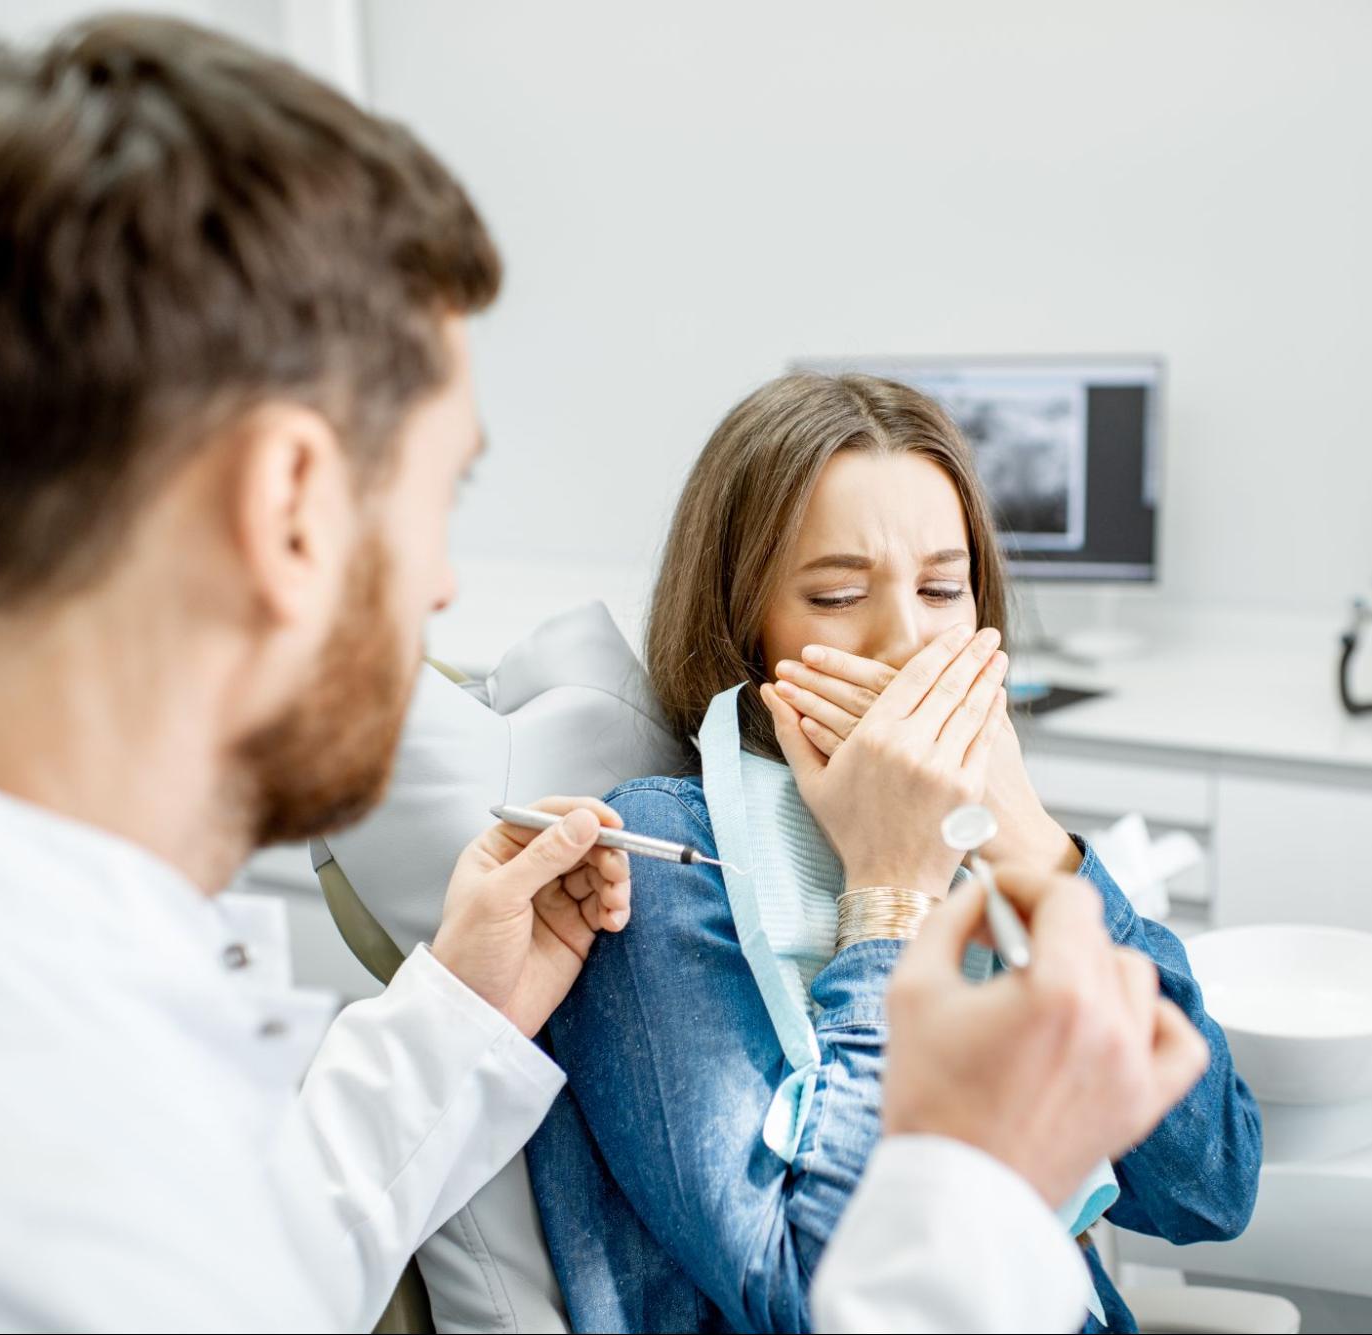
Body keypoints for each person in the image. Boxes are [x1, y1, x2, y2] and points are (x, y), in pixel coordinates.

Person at [0, 17, 1212, 1334]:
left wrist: (457, 1013)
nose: (442, 585)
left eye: (938, 583)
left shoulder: (20, 1014)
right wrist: (960, 1143)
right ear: (287, 505)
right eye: (438, 496)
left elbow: (271, 1243)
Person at [530, 374, 1263, 1332]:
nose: (908, 642)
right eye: (836, 594)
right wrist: (887, 892)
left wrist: (1035, 848)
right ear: (742, 626)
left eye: (941, 589)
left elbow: (1210, 1188)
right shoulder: (666, 861)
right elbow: (816, 1298)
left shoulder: (985, 844)